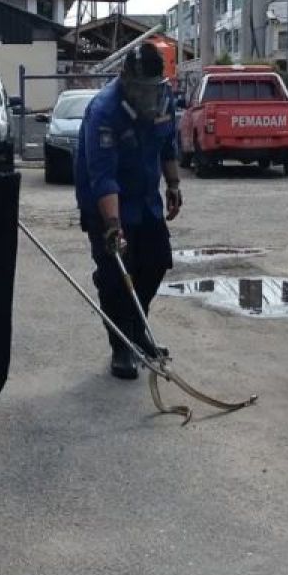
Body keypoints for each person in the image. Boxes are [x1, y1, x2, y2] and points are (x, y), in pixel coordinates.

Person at [74, 43, 183, 380]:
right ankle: (122, 347)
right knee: (116, 275)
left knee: (155, 263)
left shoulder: (163, 100)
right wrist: (112, 225)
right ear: (125, 79)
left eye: (153, 88)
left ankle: (137, 329)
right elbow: (102, 176)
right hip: (106, 204)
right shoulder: (104, 111)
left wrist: (174, 184)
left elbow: (168, 144)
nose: (147, 95)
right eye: (141, 88)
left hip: (146, 198)